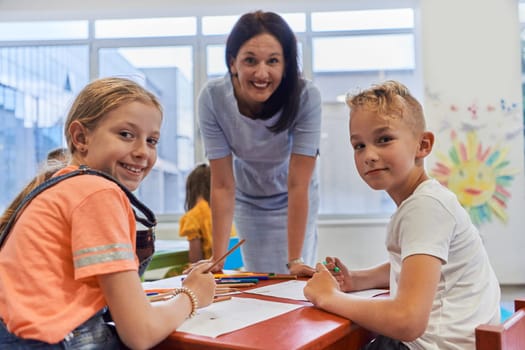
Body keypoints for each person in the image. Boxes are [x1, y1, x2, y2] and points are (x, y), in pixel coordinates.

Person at [0, 77, 215, 349]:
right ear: (81, 138)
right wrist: (191, 295)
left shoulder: (63, 185)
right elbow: (140, 334)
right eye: (126, 134)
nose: (142, 152)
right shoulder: (97, 192)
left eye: (151, 140)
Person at [303, 81, 501, 350]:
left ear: (423, 145)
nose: (369, 155)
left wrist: (328, 297)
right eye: (358, 145)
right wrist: (358, 280)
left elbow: (407, 322)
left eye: (384, 139)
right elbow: (417, 268)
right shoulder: (426, 200)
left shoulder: (425, 208)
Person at [197, 10, 321, 275]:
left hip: (294, 195)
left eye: (273, 61)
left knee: (291, 277)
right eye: (250, 60)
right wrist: (217, 261)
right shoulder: (212, 98)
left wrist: (296, 260)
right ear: (233, 62)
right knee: (260, 277)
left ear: (285, 65)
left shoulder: (306, 96)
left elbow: (298, 183)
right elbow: (221, 184)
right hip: (248, 196)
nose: (261, 73)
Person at [179, 163, 236, 263]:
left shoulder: (193, 217)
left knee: (171, 273)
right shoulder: (223, 214)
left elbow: (195, 260)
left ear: (191, 189)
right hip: (234, 271)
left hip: (214, 272)